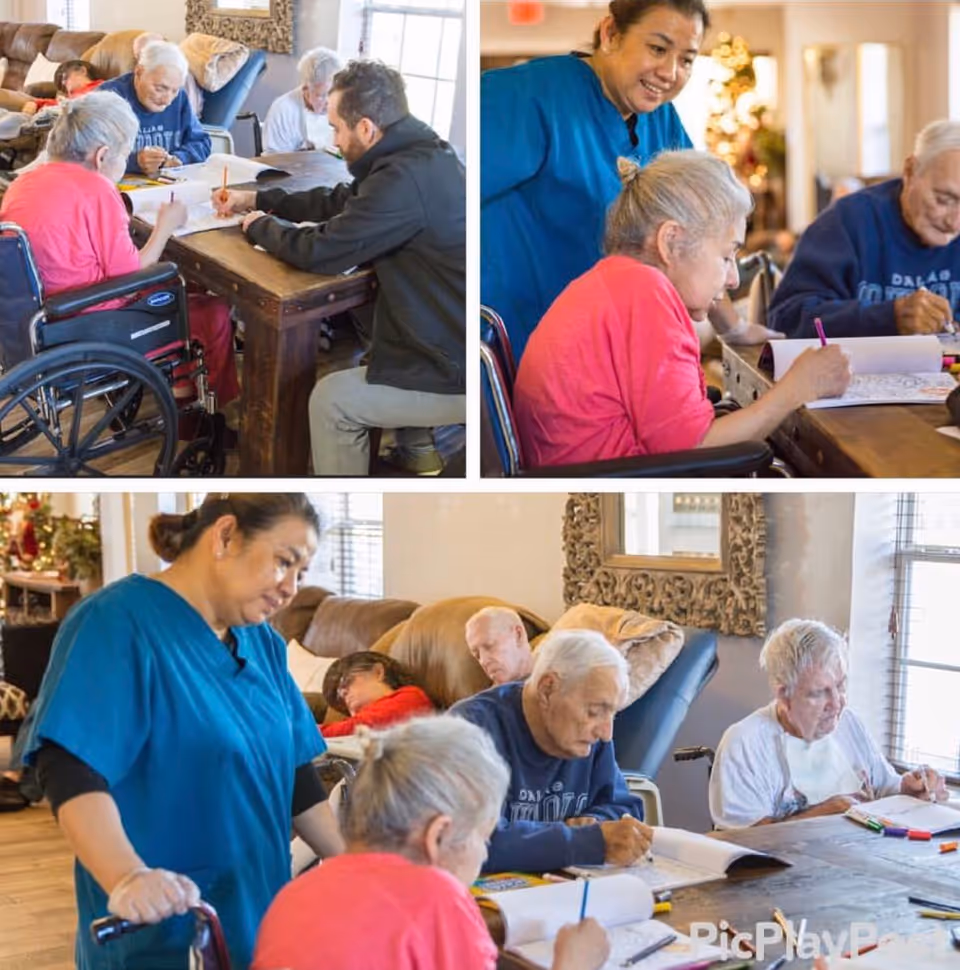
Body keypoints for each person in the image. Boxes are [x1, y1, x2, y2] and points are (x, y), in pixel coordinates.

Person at [16, 494, 345, 969]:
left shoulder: (264, 643)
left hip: (261, 919)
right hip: (163, 930)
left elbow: (294, 773)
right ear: (225, 536)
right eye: (283, 562)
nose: (292, 587)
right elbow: (69, 766)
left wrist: (353, 862)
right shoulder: (116, 621)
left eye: (302, 574)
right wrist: (127, 877)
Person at [512, 151, 852, 467]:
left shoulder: (618, 282)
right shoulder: (646, 295)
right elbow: (694, 450)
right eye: (726, 256)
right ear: (671, 241)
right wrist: (797, 388)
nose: (733, 279)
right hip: (617, 477)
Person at [481, 0, 775, 359]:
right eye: (657, 48)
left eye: (686, 60)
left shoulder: (662, 120)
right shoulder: (525, 97)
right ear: (610, 34)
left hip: (609, 346)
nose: (670, 72)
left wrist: (734, 326)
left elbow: (706, 235)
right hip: (520, 340)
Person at [213, 60, 465, 477]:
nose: (333, 138)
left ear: (365, 128)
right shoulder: (422, 153)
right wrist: (257, 201)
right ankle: (416, 448)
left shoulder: (403, 180)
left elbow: (324, 251)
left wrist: (262, 229)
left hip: (450, 366)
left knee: (331, 400)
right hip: (450, 333)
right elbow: (341, 200)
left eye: (335, 128)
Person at [252, 716, 611, 970]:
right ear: (437, 835)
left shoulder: (295, 892)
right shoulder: (438, 902)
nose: (484, 852)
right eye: (484, 838)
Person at [0, 91, 239, 409]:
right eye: (124, 154)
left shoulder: (21, 185)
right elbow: (132, 271)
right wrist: (165, 226)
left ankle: (180, 387)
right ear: (102, 155)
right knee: (212, 310)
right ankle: (216, 411)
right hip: (91, 323)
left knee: (180, 288)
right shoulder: (96, 189)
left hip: (38, 321)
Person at [709, 619, 949, 830]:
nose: (837, 704)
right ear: (784, 695)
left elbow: (886, 789)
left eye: (840, 686)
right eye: (819, 693)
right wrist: (823, 814)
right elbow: (742, 842)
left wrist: (910, 789)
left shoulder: (848, 723)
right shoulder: (745, 743)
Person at [451, 629, 652, 874]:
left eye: (613, 714)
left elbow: (623, 807)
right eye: (594, 711)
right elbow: (469, 842)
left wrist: (597, 822)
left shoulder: (591, 738)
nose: (606, 734)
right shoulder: (470, 729)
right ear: (547, 689)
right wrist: (584, 841)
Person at [768, 120, 960, 339]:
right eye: (944, 200)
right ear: (910, 171)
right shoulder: (846, 222)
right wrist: (889, 318)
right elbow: (786, 319)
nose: (954, 224)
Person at [100, 39, 211, 176]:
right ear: (139, 72)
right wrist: (135, 162)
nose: (167, 100)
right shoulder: (108, 99)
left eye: (174, 91)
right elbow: (87, 155)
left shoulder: (180, 98)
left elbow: (202, 142)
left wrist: (179, 159)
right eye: (160, 88)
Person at [319, 650, 434, 737]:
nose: (343, 694)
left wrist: (310, 734)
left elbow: (364, 725)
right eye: (340, 700)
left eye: (346, 682)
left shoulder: (411, 697)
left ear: (378, 672)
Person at [263, 47, 342, 153]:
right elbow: (274, 160)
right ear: (306, 89)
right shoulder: (283, 110)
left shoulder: (345, 107)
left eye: (332, 94)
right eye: (321, 96)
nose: (329, 102)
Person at [464, 606, 534, 685]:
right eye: (477, 655)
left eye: (489, 646)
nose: (483, 661)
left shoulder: (546, 682)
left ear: (518, 635)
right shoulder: (487, 696)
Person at [22, 59, 103, 113]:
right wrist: (35, 103)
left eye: (65, 77)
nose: (64, 84)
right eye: (62, 87)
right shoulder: (70, 98)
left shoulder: (102, 86)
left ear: (82, 71)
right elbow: (56, 103)